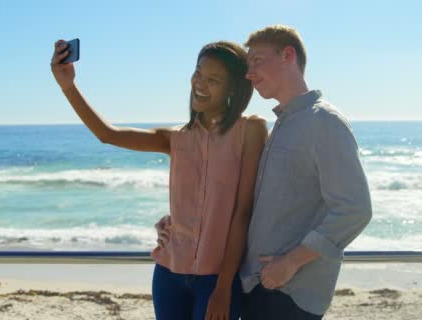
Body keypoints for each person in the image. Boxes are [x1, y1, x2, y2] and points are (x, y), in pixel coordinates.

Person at [157, 25, 372, 319]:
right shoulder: (281, 125)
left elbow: (354, 209)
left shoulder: (323, 121)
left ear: (288, 55)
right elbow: (254, 203)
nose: (249, 73)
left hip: (290, 292)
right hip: (258, 286)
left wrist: (291, 263)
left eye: (257, 60)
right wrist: (184, 222)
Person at [50, 40, 267, 320]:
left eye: (213, 79)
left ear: (233, 88)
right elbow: (107, 134)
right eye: (198, 73)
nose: (200, 83)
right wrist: (67, 86)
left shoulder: (250, 129)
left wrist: (224, 287)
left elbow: (243, 212)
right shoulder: (175, 138)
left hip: (216, 279)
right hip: (168, 275)